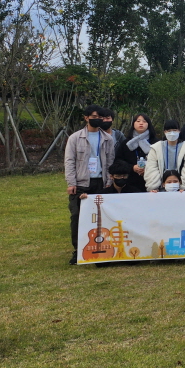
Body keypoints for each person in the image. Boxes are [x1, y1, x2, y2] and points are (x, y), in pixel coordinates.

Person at [65, 105, 115, 264]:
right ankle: (77, 250)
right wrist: (71, 182)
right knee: (77, 216)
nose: (97, 120)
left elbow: (110, 162)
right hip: (81, 182)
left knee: (100, 217)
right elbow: (69, 161)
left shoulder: (108, 139)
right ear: (86, 118)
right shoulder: (75, 138)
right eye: (94, 117)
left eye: (100, 117)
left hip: (100, 182)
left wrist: (109, 181)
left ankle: (100, 248)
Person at [145, 119, 185, 192]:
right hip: (160, 189)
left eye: (174, 130)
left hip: (181, 189)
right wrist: (154, 187)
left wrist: (184, 187)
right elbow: (151, 169)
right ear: (164, 132)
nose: (172, 133)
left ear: (179, 131)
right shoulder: (156, 148)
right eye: (169, 131)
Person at [114, 113, 154, 192]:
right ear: (133, 124)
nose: (141, 123)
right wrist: (132, 167)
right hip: (130, 182)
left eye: (144, 121)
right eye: (138, 121)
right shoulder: (126, 143)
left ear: (148, 124)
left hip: (151, 181)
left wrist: (148, 168)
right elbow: (118, 161)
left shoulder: (155, 142)